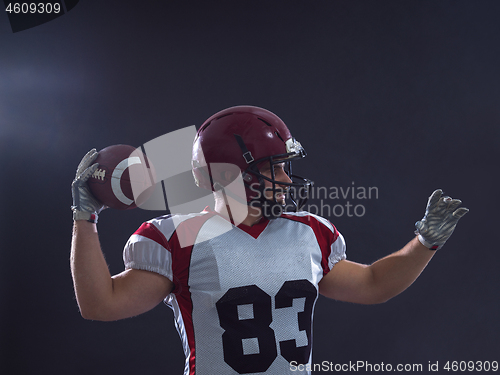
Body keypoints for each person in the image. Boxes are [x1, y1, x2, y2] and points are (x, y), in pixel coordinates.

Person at [70, 106, 468, 375]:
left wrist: (424, 243)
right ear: (225, 175)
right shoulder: (179, 237)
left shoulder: (309, 231)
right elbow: (100, 305)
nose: (285, 181)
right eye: (272, 169)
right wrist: (85, 219)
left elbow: (374, 285)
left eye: (285, 168)